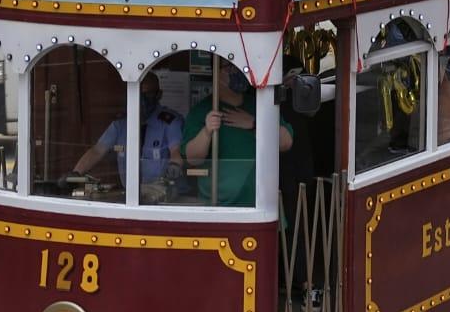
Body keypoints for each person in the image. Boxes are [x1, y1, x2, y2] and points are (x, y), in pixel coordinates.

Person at [182, 66, 292, 207]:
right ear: (217, 72)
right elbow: (193, 159)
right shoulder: (201, 111)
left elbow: (286, 143)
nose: (239, 71)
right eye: (230, 67)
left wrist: (254, 124)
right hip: (218, 207)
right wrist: (207, 131)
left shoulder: (261, 104)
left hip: (259, 204)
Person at [67, 76, 183, 195]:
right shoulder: (121, 124)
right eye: (138, 94)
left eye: (148, 94)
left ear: (159, 95)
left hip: (163, 193)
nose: (142, 100)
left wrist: (175, 165)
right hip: (130, 195)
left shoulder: (170, 122)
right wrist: (75, 174)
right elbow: (97, 150)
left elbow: (176, 151)